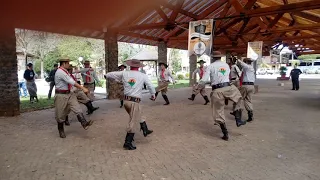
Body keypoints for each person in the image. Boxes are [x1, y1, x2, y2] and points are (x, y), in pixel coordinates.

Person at [104, 59, 155, 150]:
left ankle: (145, 129)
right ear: (139, 67)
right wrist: (153, 94)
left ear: (130, 66)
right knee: (133, 121)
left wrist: (108, 77)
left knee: (139, 114)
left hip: (126, 102)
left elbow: (109, 74)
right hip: (135, 101)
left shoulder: (124, 73)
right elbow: (150, 86)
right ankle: (127, 142)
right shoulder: (142, 75)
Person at [199, 55, 246, 141]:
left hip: (217, 90)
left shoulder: (210, 66)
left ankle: (225, 134)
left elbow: (204, 80)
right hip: (228, 87)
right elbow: (225, 76)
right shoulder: (226, 65)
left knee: (219, 111)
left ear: (213, 58)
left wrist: (199, 86)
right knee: (239, 98)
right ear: (220, 58)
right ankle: (238, 118)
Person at [54, 59, 94, 138]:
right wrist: (83, 88)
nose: (69, 64)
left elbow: (72, 81)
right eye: (68, 63)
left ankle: (84, 123)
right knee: (60, 114)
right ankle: (60, 129)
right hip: (61, 95)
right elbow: (71, 82)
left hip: (69, 93)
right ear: (64, 63)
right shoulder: (60, 72)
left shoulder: (66, 71)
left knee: (77, 108)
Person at [237, 58, 255, 122]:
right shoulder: (251, 68)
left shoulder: (248, 67)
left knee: (239, 98)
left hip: (246, 85)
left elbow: (243, 64)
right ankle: (250, 115)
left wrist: (237, 59)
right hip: (251, 86)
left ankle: (238, 114)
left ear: (246, 62)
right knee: (248, 100)